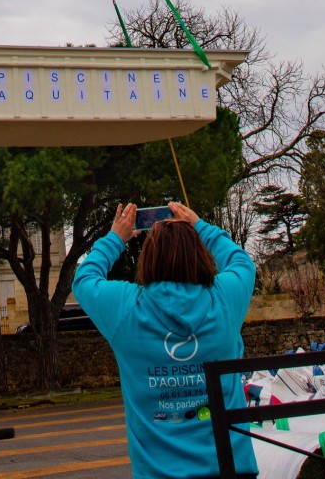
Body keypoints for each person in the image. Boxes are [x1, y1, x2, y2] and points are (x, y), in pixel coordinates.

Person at [73, 200, 256, 479]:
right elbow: (242, 262)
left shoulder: (126, 308)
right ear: (200, 254)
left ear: (149, 257)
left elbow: (84, 279)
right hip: (230, 467)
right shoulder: (224, 298)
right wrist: (201, 227)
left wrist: (115, 238)